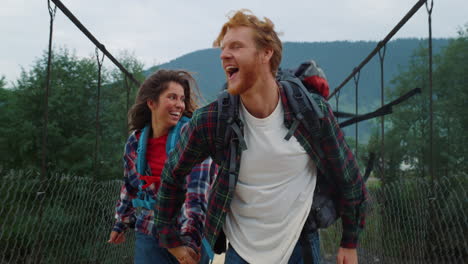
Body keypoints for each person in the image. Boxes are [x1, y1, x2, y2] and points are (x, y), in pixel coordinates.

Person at [154, 10, 367, 264]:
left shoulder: (312, 114)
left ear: (266, 53)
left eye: (236, 46)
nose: (223, 55)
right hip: (235, 252)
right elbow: (172, 174)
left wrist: (350, 243)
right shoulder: (212, 121)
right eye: (223, 49)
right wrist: (171, 239)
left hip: (300, 248)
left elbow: (350, 179)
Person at [108, 70, 216, 264]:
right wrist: (121, 222)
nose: (180, 105)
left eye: (182, 99)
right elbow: (131, 186)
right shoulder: (136, 142)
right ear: (152, 103)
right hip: (150, 230)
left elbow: (197, 194)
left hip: (188, 230)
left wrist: (188, 244)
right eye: (172, 97)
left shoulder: (194, 137)